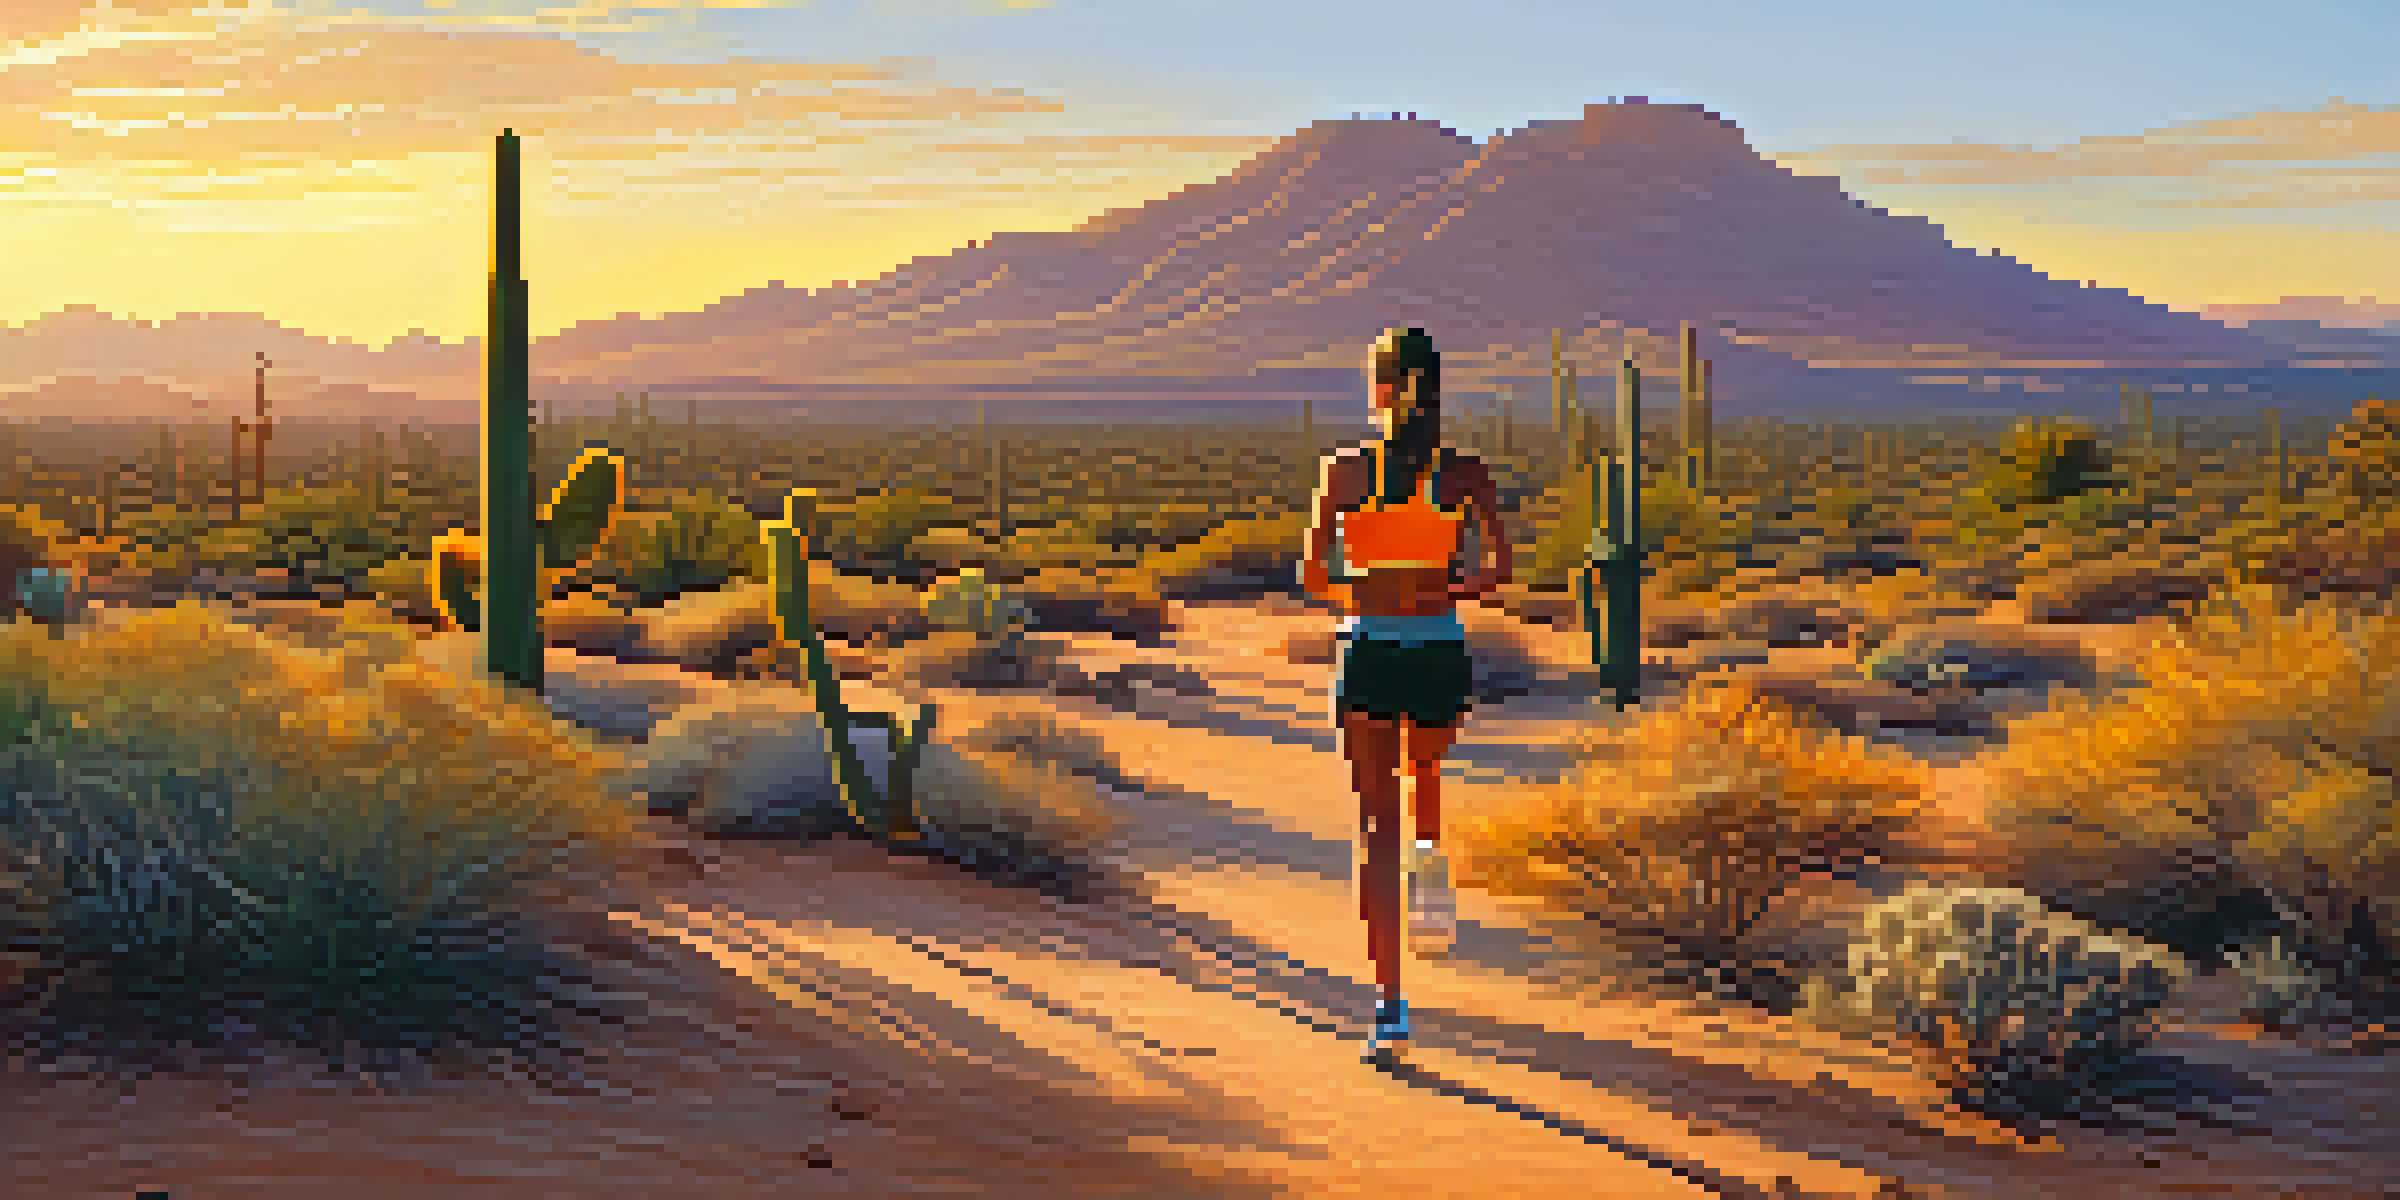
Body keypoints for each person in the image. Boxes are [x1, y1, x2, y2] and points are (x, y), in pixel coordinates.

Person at [1301, 327, 1510, 1058]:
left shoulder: (1344, 474)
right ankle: (1431, 855)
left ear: (1380, 389)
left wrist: (1367, 585)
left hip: (1370, 649)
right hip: (1439, 650)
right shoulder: (1463, 475)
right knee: (1424, 769)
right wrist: (1443, 585)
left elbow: (1313, 576)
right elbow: (1497, 570)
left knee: (1372, 830)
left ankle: (1389, 1004)